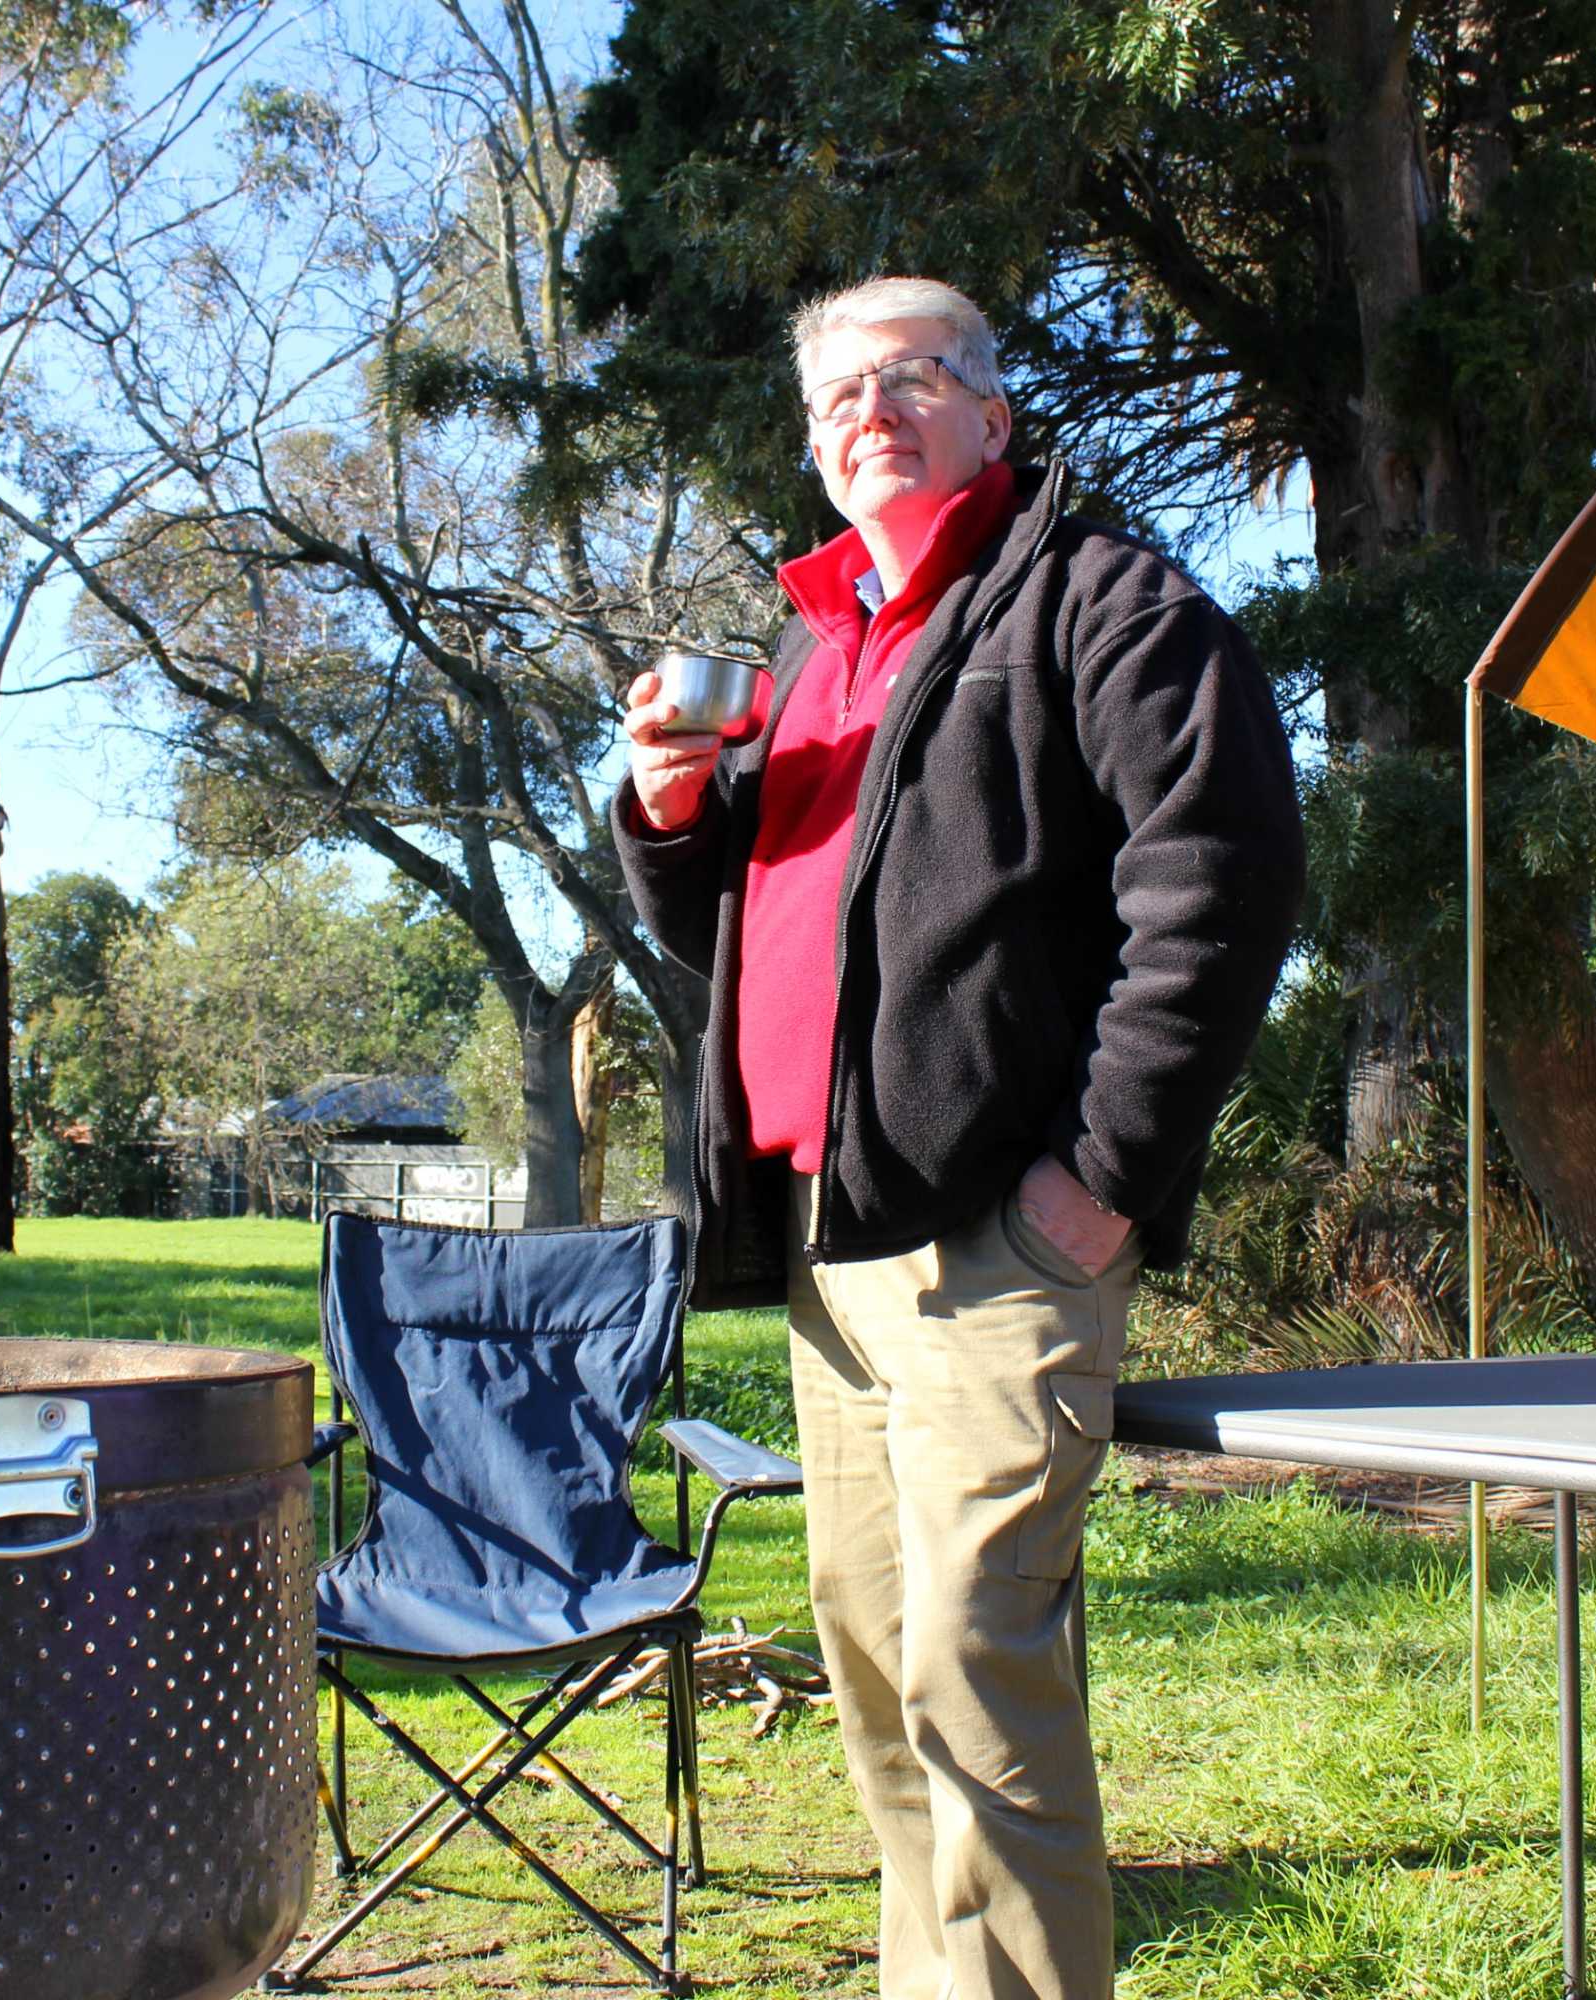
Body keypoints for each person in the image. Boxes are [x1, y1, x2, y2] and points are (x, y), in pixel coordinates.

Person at [614, 276, 1304, 2000]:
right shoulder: (812, 643)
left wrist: (1103, 1180)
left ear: (994, 417)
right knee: (873, 1665)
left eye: (913, 376)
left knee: (973, 1670)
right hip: (831, 1245)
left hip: (998, 1236)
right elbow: (760, 942)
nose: (870, 409)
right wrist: (670, 807)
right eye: (837, 393)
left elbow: (1216, 885)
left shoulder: (1098, 600)